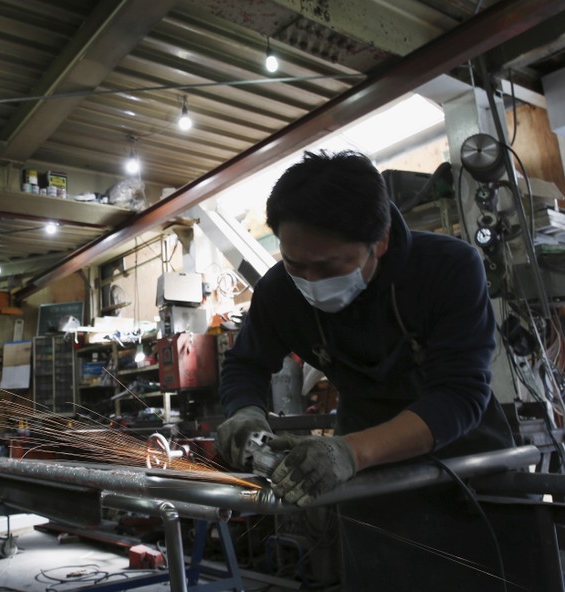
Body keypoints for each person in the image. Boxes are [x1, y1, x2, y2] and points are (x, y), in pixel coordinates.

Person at [215, 150, 516, 590]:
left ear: (382, 242)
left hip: (466, 466)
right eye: (296, 264)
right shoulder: (279, 291)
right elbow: (245, 364)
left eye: (330, 266)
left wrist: (352, 451)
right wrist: (244, 412)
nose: (311, 281)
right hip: (365, 482)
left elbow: (459, 394)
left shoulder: (449, 269)